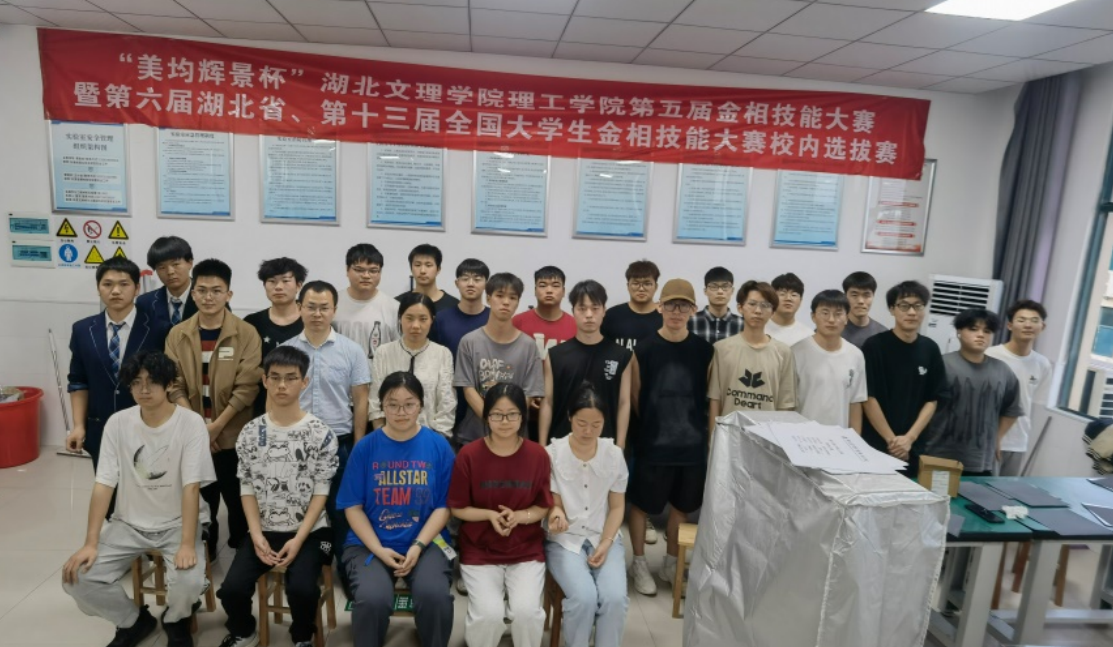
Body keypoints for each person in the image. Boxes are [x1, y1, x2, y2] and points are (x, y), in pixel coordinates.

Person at [62, 351, 214, 647]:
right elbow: (104, 483)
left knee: (189, 583)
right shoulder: (118, 423)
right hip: (128, 524)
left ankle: (176, 620)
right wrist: (90, 542)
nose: (143, 389)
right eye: (136, 382)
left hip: (177, 523)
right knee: (76, 577)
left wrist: (186, 543)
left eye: (152, 381)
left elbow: (191, 486)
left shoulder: (190, 423)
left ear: (169, 384)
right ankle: (133, 621)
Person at [217, 346, 339, 647]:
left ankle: (302, 636)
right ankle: (244, 631)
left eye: (291, 378)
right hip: (264, 529)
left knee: (302, 590)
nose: (282, 385)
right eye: (275, 377)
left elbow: (321, 491)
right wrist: (256, 534)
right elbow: (247, 487)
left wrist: (298, 539)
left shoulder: (321, 433)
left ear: (304, 382)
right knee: (231, 589)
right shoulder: (250, 432)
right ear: (264, 380)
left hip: (310, 532)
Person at [340, 372, 456, 647]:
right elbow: (352, 507)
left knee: (435, 596)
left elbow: (445, 506)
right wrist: (379, 550)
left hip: (428, 542)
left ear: (421, 405)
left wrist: (417, 545)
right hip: (369, 543)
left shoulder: (439, 446)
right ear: (381, 405)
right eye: (392, 405)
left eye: (409, 404)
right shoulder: (365, 448)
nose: (401, 412)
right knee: (372, 599)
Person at [165, 259, 262, 554]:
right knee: (201, 500)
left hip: (232, 436)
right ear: (193, 293)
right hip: (193, 435)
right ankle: (205, 551)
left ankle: (242, 553)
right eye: (202, 290)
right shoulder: (177, 334)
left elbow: (247, 387)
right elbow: (174, 384)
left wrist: (216, 428)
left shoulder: (246, 333)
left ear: (228, 294)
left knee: (238, 500)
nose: (209, 297)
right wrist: (199, 429)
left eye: (217, 291)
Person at [281, 280, 372, 596]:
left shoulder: (351, 350)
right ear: (299, 308)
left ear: (334, 310)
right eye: (311, 307)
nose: (317, 314)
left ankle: (348, 569)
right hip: (297, 444)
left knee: (342, 511)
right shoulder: (287, 351)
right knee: (300, 509)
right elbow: (277, 398)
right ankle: (307, 568)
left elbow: (361, 400)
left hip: (339, 444)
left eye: (324, 308)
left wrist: (359, 445)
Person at [448, 383, 552, 647]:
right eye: (497, 414)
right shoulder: (469, 455)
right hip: (480, 549)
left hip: (525, 549)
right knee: (488, 615)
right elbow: (457, 508)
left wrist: (519, 517)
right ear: (486, 417)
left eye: (512, 414)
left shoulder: (538, 455)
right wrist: (489, 516)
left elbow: (542, 506)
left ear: (522, 417)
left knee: (527, 613)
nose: (504, 421)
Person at [628, 278, 713, 597]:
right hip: (653, 443)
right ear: (659, 307)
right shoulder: (644, 349)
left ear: (693, 310)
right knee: (641, 506)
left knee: (681, 507)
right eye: (671, 305)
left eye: (684, 306)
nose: (677, 312)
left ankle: (671, 563)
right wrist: (655, 426)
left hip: (691, 446)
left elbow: (708, 396)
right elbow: (635, 396)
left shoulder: (705, 351)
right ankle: (638, 563)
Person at [66, 257, 170, 472]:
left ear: (137, 288)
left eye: (124, 284)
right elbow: (78, 381)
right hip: (100, 427)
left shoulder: (159, 329)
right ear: (98, 288)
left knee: (147, 485)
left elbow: (168, 381)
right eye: (107, 284)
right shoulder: (83, 330)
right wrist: (78, 426)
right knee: (107, 485)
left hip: (147, 425)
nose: (115, 291)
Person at [545, 383, 629, 647]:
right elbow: (554, 503)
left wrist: (606, 543)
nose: (588, 431)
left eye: (596, 424)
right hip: (564, 541)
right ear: (569, 417)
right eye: (581, 423)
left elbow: (617, 507)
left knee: (615, 599)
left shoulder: (613, 455)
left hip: (603, 536)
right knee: (583, 599)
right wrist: (556, 514)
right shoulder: (552, 453)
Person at [861, 281, 947, 477]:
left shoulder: (930, 349)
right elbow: (867, 397)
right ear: (892, 309)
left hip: (913, 447)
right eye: (904, 306)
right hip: (876, 445)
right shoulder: (874, 346)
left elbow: (933, 399)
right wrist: (893, 441)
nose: (912, 312)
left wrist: (909, 439)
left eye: (918, 306)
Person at [923, 309, 1022, 476]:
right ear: (959, 332)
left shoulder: (1003, 371)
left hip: (983, 461)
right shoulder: (941, 365)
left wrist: (997, 438)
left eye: (987, 331)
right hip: (939, 456)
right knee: (938, 493)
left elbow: (1012, 410)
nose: (981, 335)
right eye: (973, 329)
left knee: (978, 494)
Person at [453, 273, 545, 447]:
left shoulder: (528, 346)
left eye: (512, 297)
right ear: (488, 298)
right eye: (500, 295)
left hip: (515, 438)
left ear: (518, 302)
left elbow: (529, 393)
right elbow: (468, 389)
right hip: (474, 437)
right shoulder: (469, 342)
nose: (506, 302)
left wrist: (508, 422)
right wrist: (493, 420)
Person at [540, 280, 632, 448]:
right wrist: (542, 446)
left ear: (604, 311)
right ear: (573, 311)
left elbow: (624, 403)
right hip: (561, 445)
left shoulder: (622, 355)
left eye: (595, 308)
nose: (589, 315)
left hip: (606, 445)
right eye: (582, 309)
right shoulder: (556, 355)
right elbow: (548, 402)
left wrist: (620, 446)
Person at [708, 281, 797, 426]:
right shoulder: (721, 349)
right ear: (740, 308)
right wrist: (713, 438)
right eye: (752, 304)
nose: (758, 311)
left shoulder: (783, 352)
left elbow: (785, 406)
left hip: (766, 437)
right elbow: (715, 401)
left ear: (773, 312)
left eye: (765, 305)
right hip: (730, 435)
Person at [369, 293, 456, 437]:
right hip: (389, 436)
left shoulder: (442, 354)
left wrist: (437, 439)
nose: (415, 326)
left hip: (430, 436)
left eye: (423, 319)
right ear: (400, 318)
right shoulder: (383, 352)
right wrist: (383, 437)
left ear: (432, 320)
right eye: (409, 318)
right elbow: (375, 400)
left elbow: (447, 403)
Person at [986, 300, 1053, 476]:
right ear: (1010, 325)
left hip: (1018, 442)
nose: (1028, 325)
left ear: (1042, 326)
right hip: (985, 439)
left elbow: (1032, 402)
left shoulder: (1043, 364)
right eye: (1021, 320)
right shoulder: (990, 355)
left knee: (1006, 490)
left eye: (1034, 320)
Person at [792, 290, 868, 432]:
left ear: (847, 318)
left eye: (838, 314)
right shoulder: (796, 352)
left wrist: (855, 439)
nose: (831, 320)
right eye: (825, 313)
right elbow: (788, 403)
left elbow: (855, 402)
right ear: (813, 317)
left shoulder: (855, 355)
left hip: (839, 438)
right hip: (802, 436)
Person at [243, 257, 307, 417]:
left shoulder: (311, 321)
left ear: (299, 285)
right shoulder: (252, 322)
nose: (278, 287)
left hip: (304, 405)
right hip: (260, 407)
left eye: (286, 281)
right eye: (272, 281)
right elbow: (245, 368)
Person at [334, 243, 399, 368]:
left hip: (380, 377)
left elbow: (399, 351)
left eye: (373, 271)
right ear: (347, 270)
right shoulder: (333, 303)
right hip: (339, 376)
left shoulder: (394, 308)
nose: (366, 275)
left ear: (380, 272)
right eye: (359, 270)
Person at [429, 258, 490, 360]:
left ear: (486, 285)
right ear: (457, 283)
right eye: (465, 279)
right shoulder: (441, 319)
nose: (470, 284)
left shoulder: (494, 318)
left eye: (477, 279)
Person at [512, 265, 577, 360]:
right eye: (542, 285)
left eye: (555, 286)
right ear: (535, 291)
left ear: (563, 291)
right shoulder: (517, 322)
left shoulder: (575, 326)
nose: (549, 290)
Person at [601, 259, 663, 352]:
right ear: (628, 286)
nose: (641, 289)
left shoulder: (665, 318)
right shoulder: (611, 316)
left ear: (656, 286)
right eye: (635, 283)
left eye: (647, 284)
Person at [136, 236, 197, 328]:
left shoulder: (209, 299)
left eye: (175, 264)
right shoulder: (145, 303)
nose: (170, 272)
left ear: (190, 263)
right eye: (162, 267)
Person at [396, 243, 459, 315]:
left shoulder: (454, 306)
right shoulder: (398, 303)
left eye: (428, 265)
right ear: (411, 269)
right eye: (417, 265)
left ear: (438, 269)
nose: (422, 271)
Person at [688, 267, 743, 346]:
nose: (720, 291)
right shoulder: (690, 321)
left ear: (732, 291)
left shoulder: (742, 324)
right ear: (705, 291)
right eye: (714, 287)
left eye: (725, 287)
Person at [842, 272, 888, 349]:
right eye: (854, 295)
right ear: (845, 296)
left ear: (873, 296)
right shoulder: (833, 329)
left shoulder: (882, 334)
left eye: (866, 295)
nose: (860, 301)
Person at [766, 272, 813, 347]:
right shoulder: (759, 329)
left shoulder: (808, 336)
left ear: (800, 301)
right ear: (772, 299)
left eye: (794, 295)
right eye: (782, 294)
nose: (788, 298)